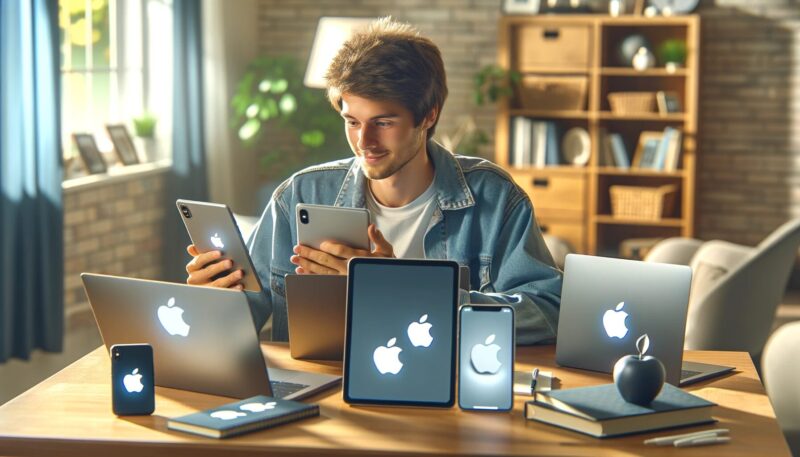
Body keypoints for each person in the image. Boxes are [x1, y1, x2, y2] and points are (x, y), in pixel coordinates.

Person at [185, 17, 562, 344]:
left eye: (383, 122)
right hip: (326, 397)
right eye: (352, 122)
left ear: (428, 116)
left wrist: (404, 287)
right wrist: (213, 300)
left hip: (448, 392)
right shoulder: (300, 194)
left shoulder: (493, 197)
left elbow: (547, 310)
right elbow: (243, 319)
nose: (364, 142)